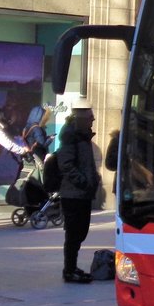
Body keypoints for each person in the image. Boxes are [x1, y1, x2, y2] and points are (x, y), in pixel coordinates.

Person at [57, 100, 100, 282]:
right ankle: (69, 270)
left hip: (81, 194)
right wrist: (84, 182)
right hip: (73, 194)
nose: (93, 120)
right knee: (74, 233)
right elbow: (66, 164)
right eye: (90, 117)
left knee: (80, 232)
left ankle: (72, 267)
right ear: (81, 118)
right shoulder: (71, 137)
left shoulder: (82, 137)